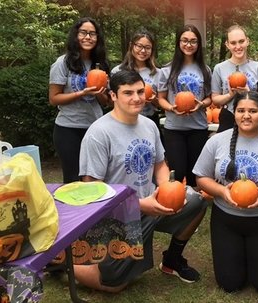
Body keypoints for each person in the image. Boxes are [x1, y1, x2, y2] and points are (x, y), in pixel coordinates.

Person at [76, 70, 207, 292]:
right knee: (113, 284)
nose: (136, 98)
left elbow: (160, 164)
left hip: (152, 203)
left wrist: (166, 187)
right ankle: (65, 263)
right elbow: (92, 191)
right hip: (118, 215)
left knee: (196, 202)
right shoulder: (99, 133)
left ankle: (172, 260)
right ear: (113, 96)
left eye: (139, 91)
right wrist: (138, 205)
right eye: (128, 93)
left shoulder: (149, 125)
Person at [193, 91, 258, 294]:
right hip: (226, 220)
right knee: (229, 284)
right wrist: (222, 191)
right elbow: (201, 178)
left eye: (253, 111)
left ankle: (256, 257)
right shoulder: (216, 141)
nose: (246, 115)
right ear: (234, 113)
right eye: (241, 110)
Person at [49, 17, 110, 183]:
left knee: (96, 177)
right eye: (83, 33)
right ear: (76, 35)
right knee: (73, 179)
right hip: (68, 129)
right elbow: (54, 98)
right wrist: (81, 93)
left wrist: (98, 92)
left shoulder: (100, 65)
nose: (88, 37)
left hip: (95, 128)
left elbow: (105, 102)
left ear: (97, 38)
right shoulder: (62, 63)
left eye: (92, 34)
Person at [158, 24, 212, 188]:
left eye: (193, 41)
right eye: (185, 40)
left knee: (195, 174)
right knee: (178, 172)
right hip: (174, 129)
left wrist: (201, 104)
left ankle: (194, 208)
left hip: (198, 128)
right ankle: (177, 206)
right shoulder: (167, 70)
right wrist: (171, 108)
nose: (189, 45)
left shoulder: (205, 70)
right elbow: (160, 98)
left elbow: (210, 98)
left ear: (198, 44)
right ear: (178, 42)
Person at [211, 25, 258, 132]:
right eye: (233, 43)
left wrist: (249, 93)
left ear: (247, 41)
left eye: (241, 41)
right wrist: (230, 95)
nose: (238, 46)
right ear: (227, 45)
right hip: (228, 115)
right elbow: (215, 99)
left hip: (251, 117)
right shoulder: (219, 68)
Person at [111, 29, 161, 127]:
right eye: (139, 46)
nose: (143, 51)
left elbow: (162, 103)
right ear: (131, 46)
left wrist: (154, 100)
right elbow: (111, 101)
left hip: (149, 120)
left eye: (147, 47)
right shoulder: (117, 71)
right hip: (122, 120)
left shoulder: (157, 73)